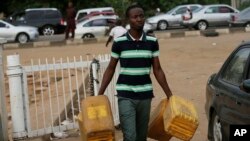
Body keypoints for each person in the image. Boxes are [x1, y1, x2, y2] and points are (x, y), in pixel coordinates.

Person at [98, 4, 172, 141]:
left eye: (141, 16)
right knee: (130, 137)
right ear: (128, 20)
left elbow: (157, 69)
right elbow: (110, 68)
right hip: (125, 95)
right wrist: (99, 93)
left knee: (141, 137)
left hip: (145, 95)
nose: (139, 19)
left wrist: (170, 95)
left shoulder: (152, 42)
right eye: (135, 17)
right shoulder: (119, 42)